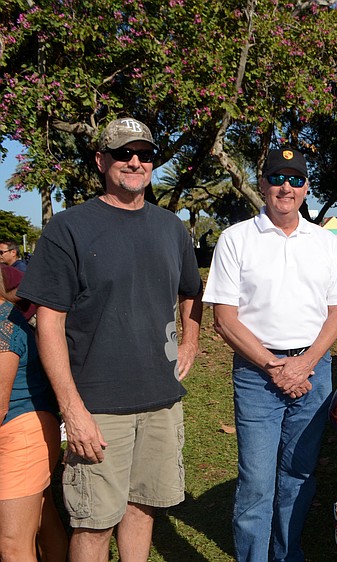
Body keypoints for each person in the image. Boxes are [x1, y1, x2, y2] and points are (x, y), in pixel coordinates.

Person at [17, 117, 204, 562]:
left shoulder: (171, 228)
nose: (135, 162)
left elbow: (192, 292)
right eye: (123, 153)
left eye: (144, 154)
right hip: (97, 408)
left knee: (142, 509)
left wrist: (190, 342)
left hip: (161, 401)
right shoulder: (68, 229)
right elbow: (49, 324)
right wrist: (73, 410)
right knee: (94, 522)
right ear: (102, 161)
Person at [203, 146, 337, 562]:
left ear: (306, 189)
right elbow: (225, 318)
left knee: (300, 474)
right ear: (262, 184)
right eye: (277, 178)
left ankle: (288, 554)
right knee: (256, 481)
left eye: (295, 179)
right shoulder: (236, 239)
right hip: (257, 373)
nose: (285, 187)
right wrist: (273, 366)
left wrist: (304, 363)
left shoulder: (324, 243)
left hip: (313, 370)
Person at [0, 269, 67, 562]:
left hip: (20, 433)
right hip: (29, 430)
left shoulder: (3, 326)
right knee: (41, 513)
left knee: (12, 545)